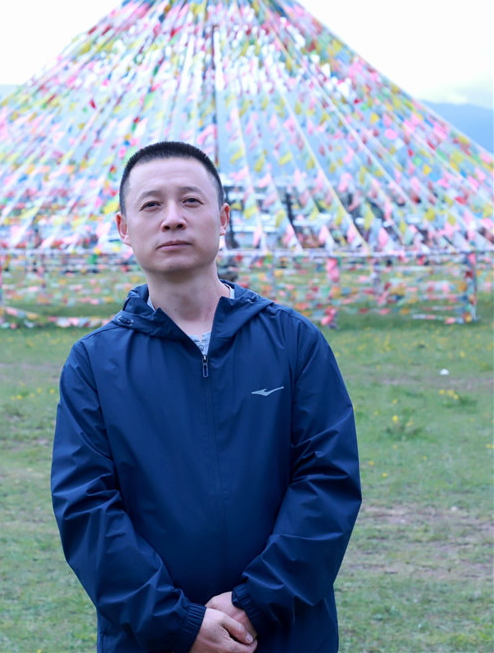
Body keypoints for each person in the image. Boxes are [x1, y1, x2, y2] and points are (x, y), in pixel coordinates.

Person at [51, 141, 361, 653]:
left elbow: (327, 483)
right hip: (153, 639)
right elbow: (88, 509)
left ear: (223, 219)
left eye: (190, 201)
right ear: (124, 227)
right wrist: (179, 623)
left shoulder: (292, 342)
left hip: (285, 633)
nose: (172, 218)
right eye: (152, 204)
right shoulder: (94, 364)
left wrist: (255, 603)